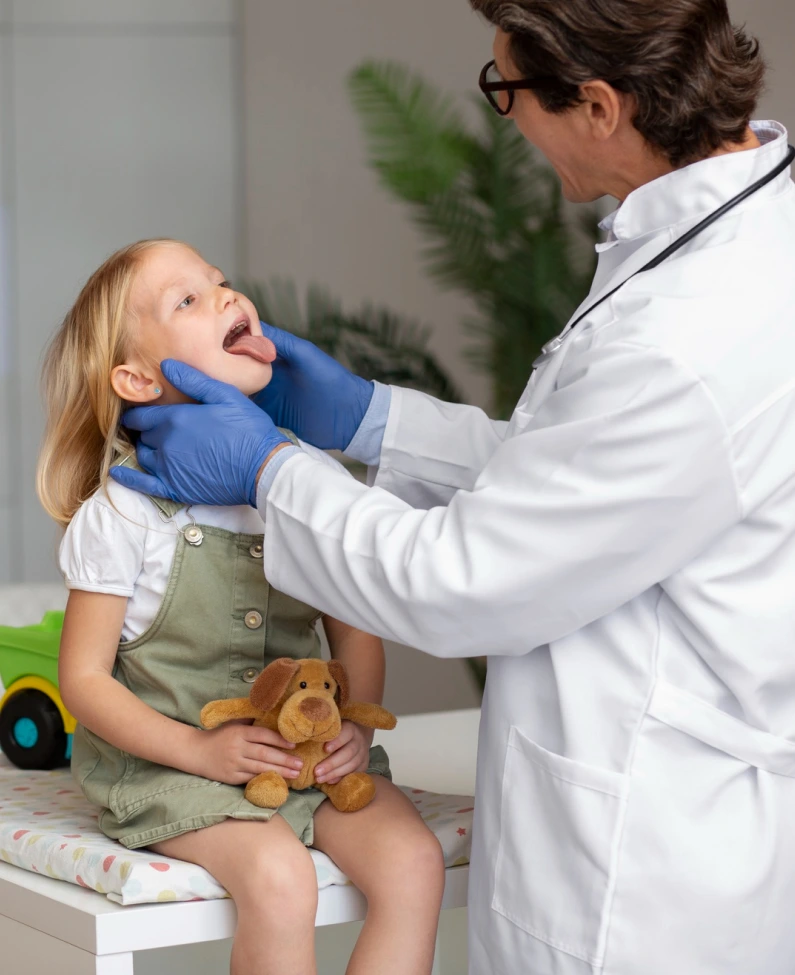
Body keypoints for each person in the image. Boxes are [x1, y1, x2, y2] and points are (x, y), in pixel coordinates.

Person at [107, 2, 795, 973]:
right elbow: (571, 481)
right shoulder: (725, 245)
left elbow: (466, 578)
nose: (503, 116)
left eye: (505, 88)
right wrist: (370, 421)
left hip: (645, 864)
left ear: (599, 106)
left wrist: (271, 470)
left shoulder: (691, 333)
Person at [36, 238, 445, 975]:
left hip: (307, 761)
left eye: (220, 282)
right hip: (174, 770)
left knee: (413, 862)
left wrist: (354, 730)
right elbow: (84, 680)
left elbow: (356, 634)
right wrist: (200, 751)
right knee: (280, 881)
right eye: (188, 299)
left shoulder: (300, 478)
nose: (227, 296)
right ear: (136, 379)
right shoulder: (124, 513)